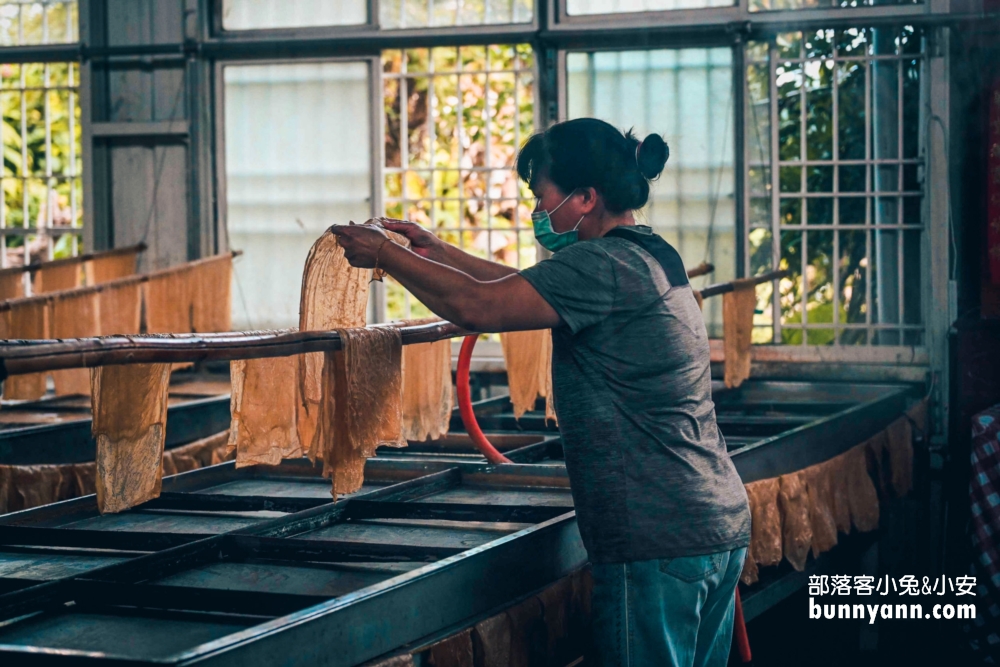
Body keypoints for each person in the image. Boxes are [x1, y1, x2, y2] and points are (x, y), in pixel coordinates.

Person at [331, 118, 751, 667]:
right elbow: (520, 287)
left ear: (584, 197)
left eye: (540, 195)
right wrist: (437, 252)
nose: (535, 209)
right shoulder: (644, 253)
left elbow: (478, 307)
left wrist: (385, 255)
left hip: (657, 535)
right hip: (709, 519)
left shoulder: (600, 265)